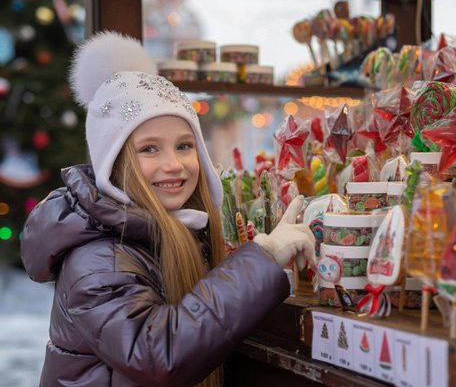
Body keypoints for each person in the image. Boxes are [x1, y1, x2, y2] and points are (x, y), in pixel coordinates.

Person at [20, 32, 315, 387]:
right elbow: (157, 353)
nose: (174, 164)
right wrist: (263, 256)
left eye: (184, 145)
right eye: (149, 149)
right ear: (114, 164)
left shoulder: (178, 230)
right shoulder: (98, 257)